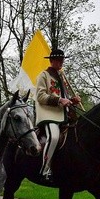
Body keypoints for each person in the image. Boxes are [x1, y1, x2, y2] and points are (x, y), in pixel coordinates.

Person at [34, 48, 80, 182]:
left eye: (62, 60)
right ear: (52, 60)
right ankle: (44, 169)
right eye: (58, 60)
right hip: (49, 114)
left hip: (63, 114)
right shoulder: (44, 75)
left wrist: (72, 100)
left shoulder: (62, 77)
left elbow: (64, 98)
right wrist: (60, 100)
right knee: (53, 137)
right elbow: (40, 96)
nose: (61, 63)